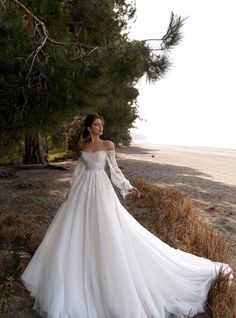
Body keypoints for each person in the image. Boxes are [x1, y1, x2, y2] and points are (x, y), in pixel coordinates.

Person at [21, 113, 232, 318]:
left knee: (107, 227)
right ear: (88, 127)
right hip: (82, 191)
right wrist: (70, 191)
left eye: (101, 124)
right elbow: (79, 170)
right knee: (74, 228)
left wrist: (127, 187)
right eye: (96, 125)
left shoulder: (108, 145)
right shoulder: (82, 146)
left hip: (101, 189)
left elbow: (114, 170)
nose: (100, 127)